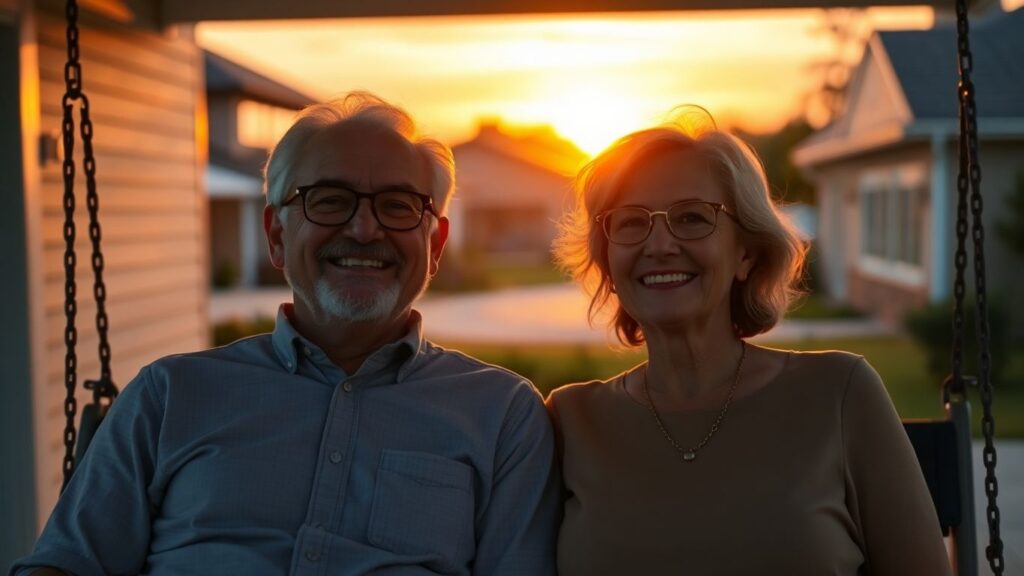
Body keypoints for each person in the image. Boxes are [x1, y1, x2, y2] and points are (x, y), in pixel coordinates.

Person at [12, 92, 559, 576]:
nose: (364, 229)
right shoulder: (168, 396)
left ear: (435, 244)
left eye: (397, 205)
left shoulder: (502, 416)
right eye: (329, 200)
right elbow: (66, 565)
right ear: (277, 233)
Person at [546, 111, 952, 575]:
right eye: (631, 223)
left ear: (746, 253)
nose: (659, 245)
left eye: (692, 218)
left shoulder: (840, 396)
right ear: (608, 261)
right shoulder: (571, 422)